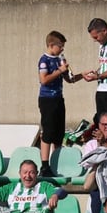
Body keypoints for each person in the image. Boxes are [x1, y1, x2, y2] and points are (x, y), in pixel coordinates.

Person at [37, 30, 75, 177]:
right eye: (60, 46)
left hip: (59, 99)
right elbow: (44, 80)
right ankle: (45, 165)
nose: (62, 49)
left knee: (59, 132)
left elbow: (69, 79)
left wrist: (79, 75)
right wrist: (60, 71)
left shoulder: (59, 60)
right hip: (47, 100)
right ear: (51, 45)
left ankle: (58, 161)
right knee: (48, 131)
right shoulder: (44, 60)